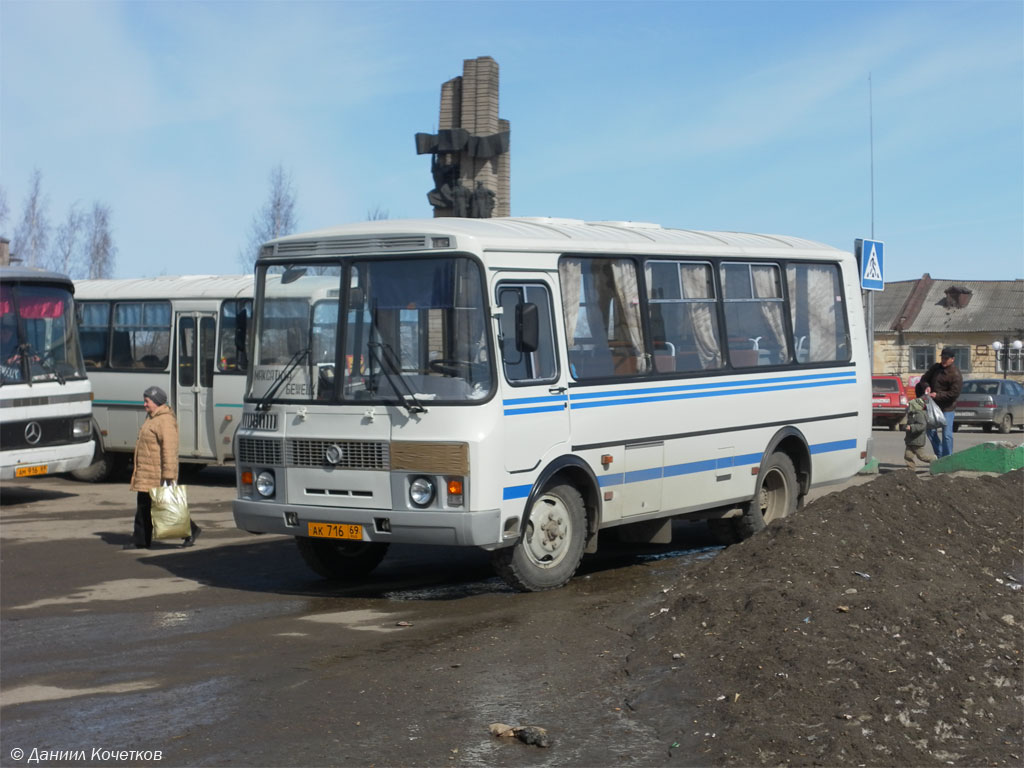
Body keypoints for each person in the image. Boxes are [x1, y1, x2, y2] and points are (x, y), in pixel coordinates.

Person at [123, 386, 201, 549]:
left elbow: (170, 449)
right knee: (143, 506)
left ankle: (191, 530)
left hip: (157, 473)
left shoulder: (164, 420)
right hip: (147, 472)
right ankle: (141, 540)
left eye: (147, 401)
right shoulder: (152, 417)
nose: (144, 404)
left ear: (157, 402)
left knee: (167, 506)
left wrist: (169, 473)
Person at [919, 347, 963, 459]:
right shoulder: (936, 368)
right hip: (933, 406)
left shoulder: (955, 374)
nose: (943, 360)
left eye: (946, 358)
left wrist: (937, 395)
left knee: (947, 435)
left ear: (952, 359)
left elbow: (954, 393)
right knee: (930, 431)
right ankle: (940, 455)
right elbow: (924, 379)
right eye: (942, 358)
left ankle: (948, 458)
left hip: (948, 408)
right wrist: (927, 387)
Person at [904, 382, 935, 470]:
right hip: (910, 440)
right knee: (907, 455)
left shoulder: (920, 414)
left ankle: (933, 459)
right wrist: (904, 426)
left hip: (917, 440)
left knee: (922, 456)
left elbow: (922, 425)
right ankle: (910, 470)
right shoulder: (912, 414)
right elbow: (907, 423)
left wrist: (912, 427)